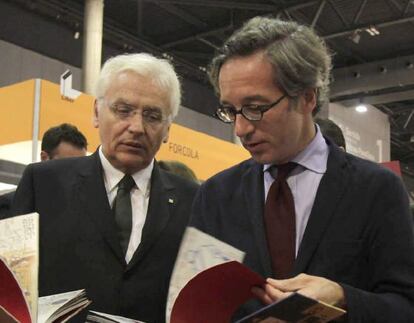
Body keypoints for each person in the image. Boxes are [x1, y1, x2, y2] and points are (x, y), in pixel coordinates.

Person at [190, 16, 414, 322]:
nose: (241, 128)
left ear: (307, 97)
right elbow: (197, 305)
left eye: (256, 108)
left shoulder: (377, 189)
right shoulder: (215, 196)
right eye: (231, 110)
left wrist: (343, 297)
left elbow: (406, 306)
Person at [11, 53, 199, 322]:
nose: (136, 127)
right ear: (97, 113)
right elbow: (13, 288)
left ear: (168, 129)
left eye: (153, 116)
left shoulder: (193, 200)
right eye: (123, 110)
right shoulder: (43, 184)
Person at [0, 123, 87, 218]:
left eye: (81, 166)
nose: (74, 174)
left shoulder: (86, 209)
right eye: (66, 165)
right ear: (44, 158)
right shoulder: (8, 206)